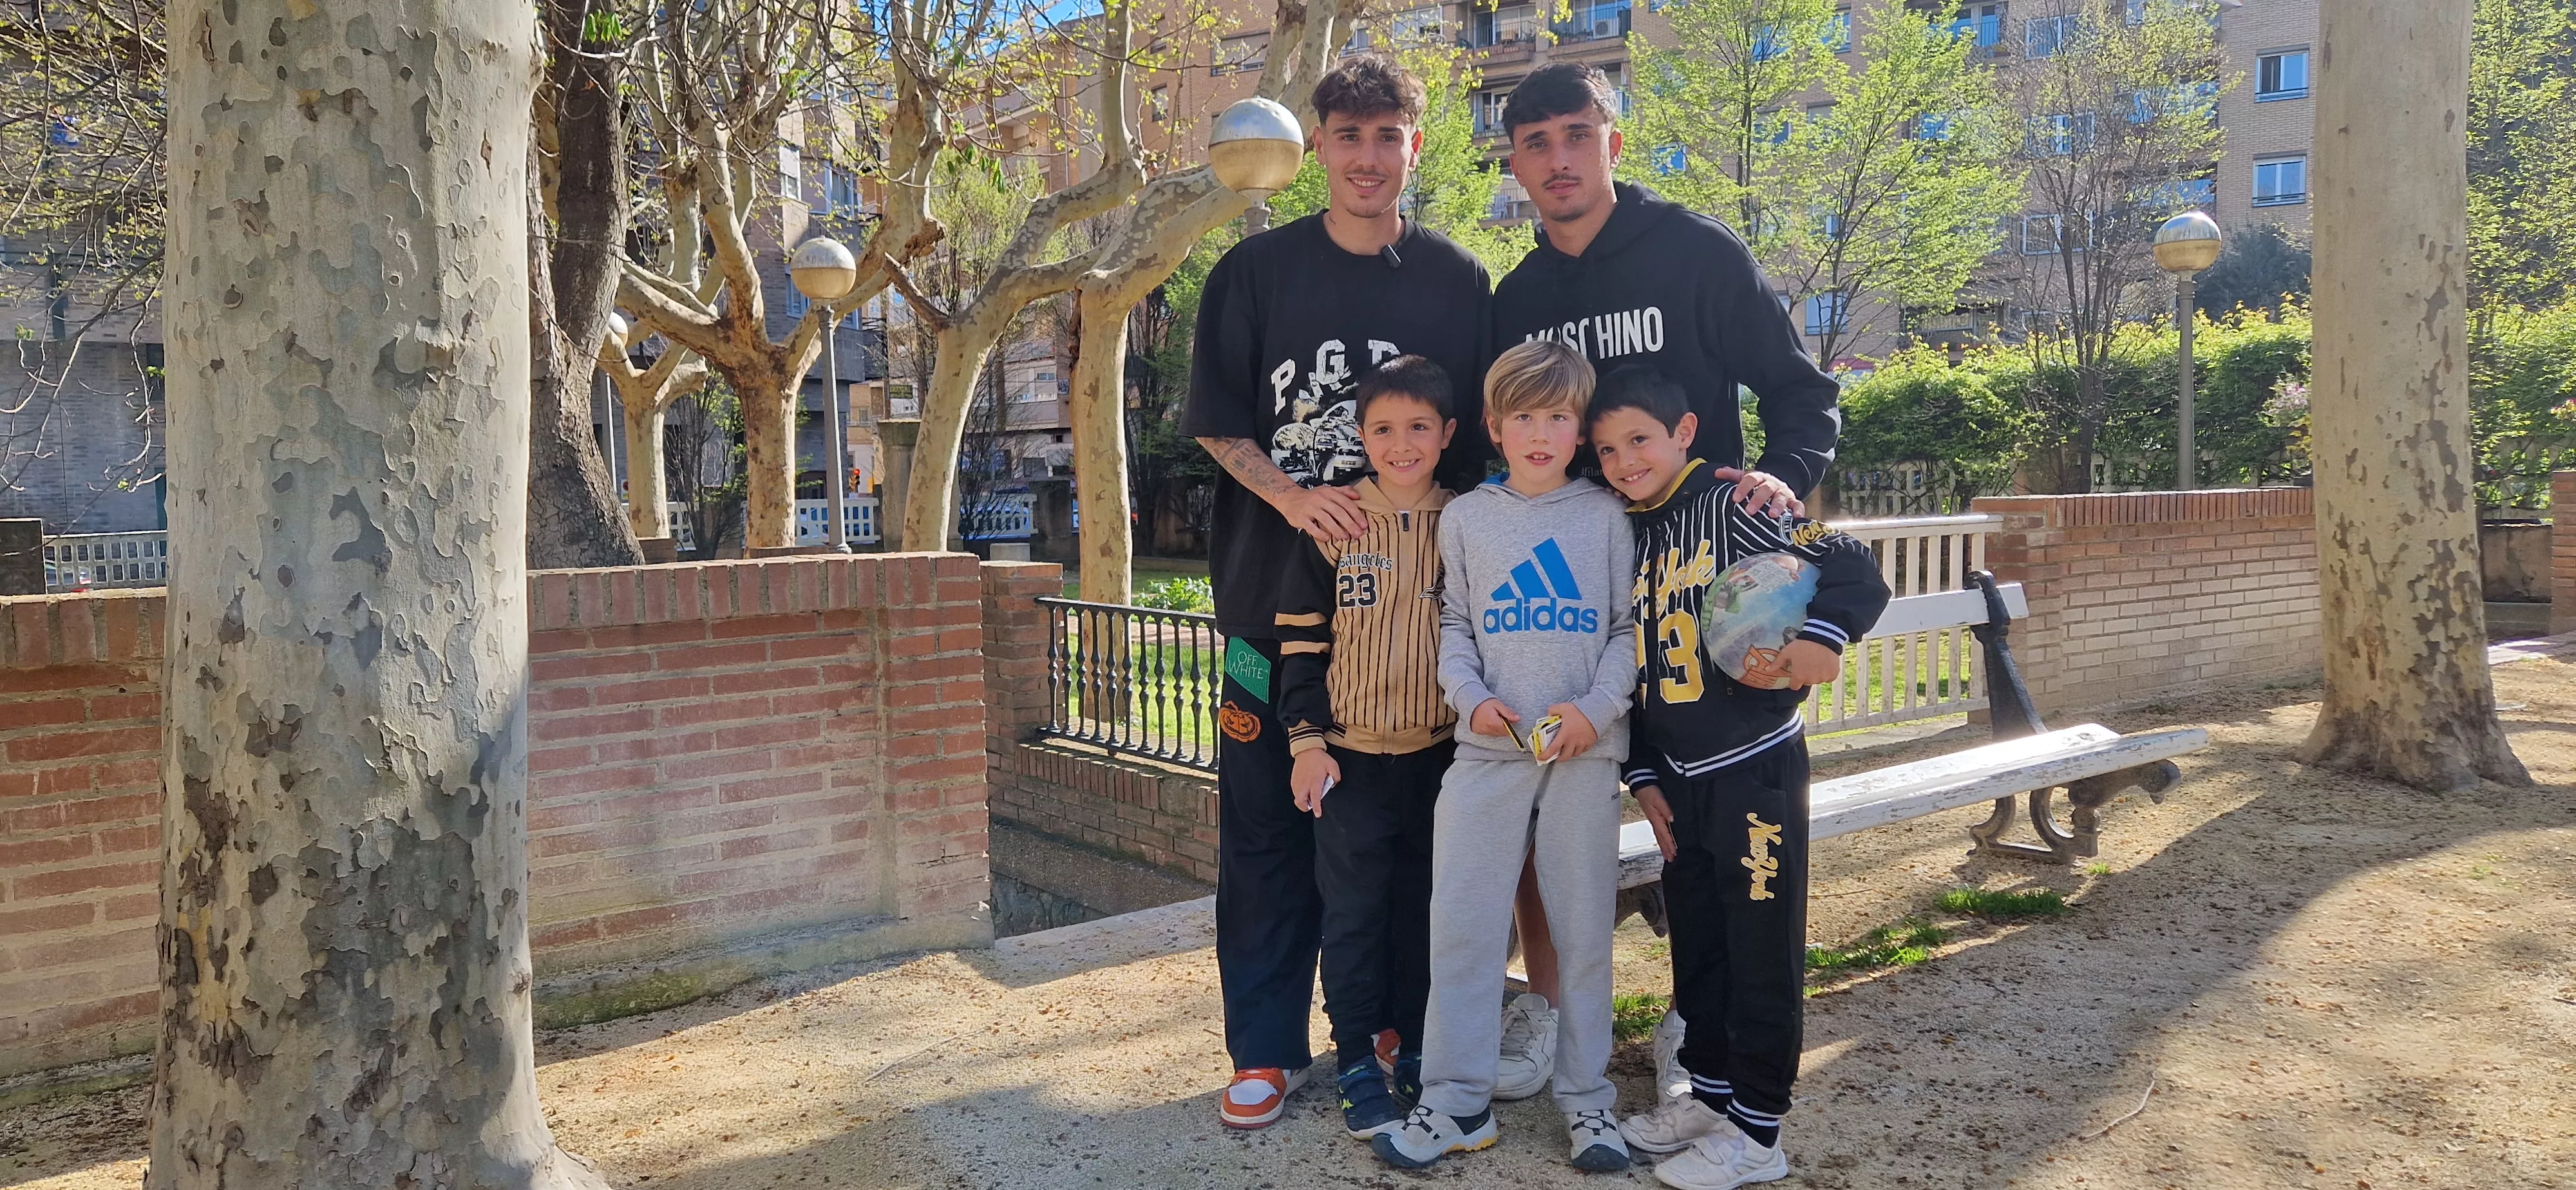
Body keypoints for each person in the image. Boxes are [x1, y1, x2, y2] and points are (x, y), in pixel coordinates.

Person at [1486, 57, 1837, 1100]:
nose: (1559, 159)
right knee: (1551, 797)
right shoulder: (1514, 300)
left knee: (1719, 819)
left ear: (1613, 143)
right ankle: (1551, 1013)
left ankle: (1707, 1025)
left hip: (1706, 594)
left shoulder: (1695, 254)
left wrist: (1777, 483)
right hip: (1577, 597)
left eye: (1576, 135)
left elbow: (1801, 392)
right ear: (1513, 164)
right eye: (1536, 143)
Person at [1180, 53, 1495, 1130]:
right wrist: (1296, 498)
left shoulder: (1457, 282)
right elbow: (1219, 420)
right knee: (1267, 830)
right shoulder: (1255, 274)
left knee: (1404, 837)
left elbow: (1481, 452)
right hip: (1267, 612)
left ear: (1415, 146)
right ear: (1318, 147)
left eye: (1388, 136)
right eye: (1348, 137)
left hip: (1405, 629)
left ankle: (1389, 1022)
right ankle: (1267, 1046)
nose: (1369, 158)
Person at [1587, 366, 1889, 1190]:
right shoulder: (1631, 529)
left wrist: (1826, 635)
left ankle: (1759, 1132)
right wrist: (1643, 772)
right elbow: (1644, 666)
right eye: (1607, 449)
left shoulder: (1734, 504)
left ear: (1684, 431)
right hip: (1678, 780)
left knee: (1760, 949)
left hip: (1753, 767)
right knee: (1701, 946)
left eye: (1638, 440)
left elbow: (1852, 561)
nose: (1622, 461)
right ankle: (1709, 1096)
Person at [1372, 339, 1636, 1173]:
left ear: (1579, 427)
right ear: (1493, 426)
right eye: (1524, 416)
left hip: (1581, 759)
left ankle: (1590, 1104)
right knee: (1462, 929)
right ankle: (1455, 1102)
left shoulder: (1604, 517)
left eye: (1558, 417)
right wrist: (1470, 698)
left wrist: (1595, 713)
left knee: (1584, 931)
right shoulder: (1467, 519)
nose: (1541, 433)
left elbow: (1629, 632)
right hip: (1486, 756)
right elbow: (1452, 628)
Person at [1273, 355, 1462, 1139]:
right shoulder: (1336, 520)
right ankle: (1354, 1056)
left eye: (1419, 427)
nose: (1401, 443)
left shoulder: (1470, 521)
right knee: (1351, 917)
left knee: (1425, 914)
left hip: (1443, 760)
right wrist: (1306, 743)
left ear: (1448, 434)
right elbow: (1298, 641)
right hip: (1349, 760)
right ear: (1361, 435)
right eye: (1383, 429)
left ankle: (1416, 1048)